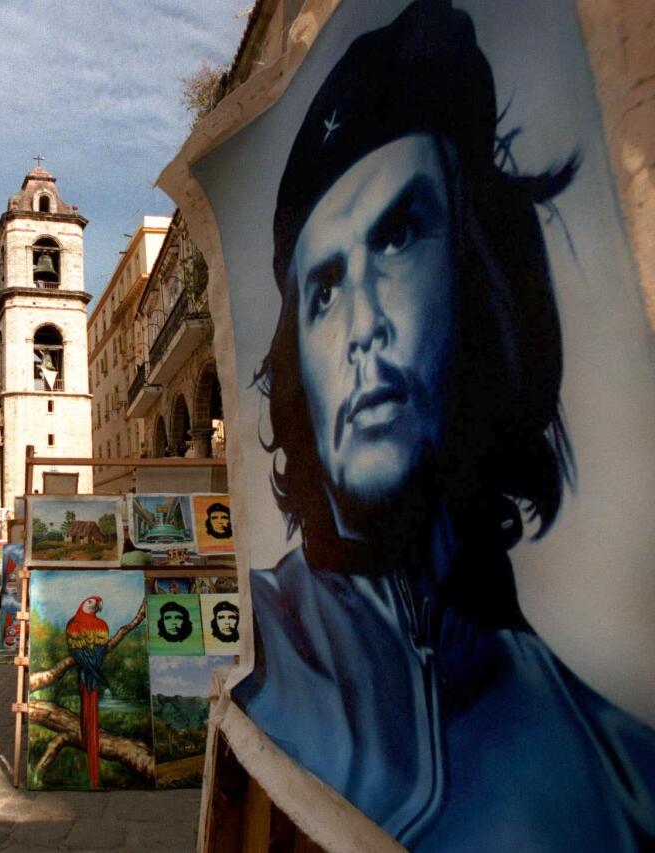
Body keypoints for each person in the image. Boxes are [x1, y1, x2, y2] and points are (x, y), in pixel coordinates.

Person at [232, 2, 655, 849]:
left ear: (478, 270)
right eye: (322, 289)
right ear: (293, 370)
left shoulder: (621, 769)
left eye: (398, 239)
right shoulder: (261, 655)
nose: (363, 325)